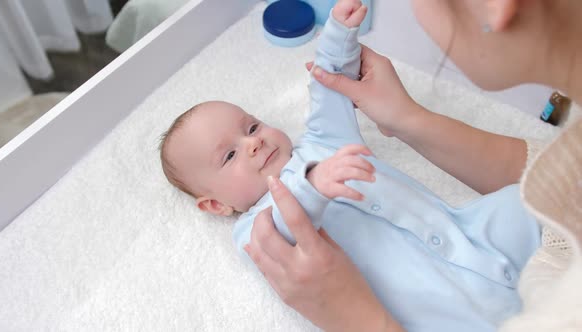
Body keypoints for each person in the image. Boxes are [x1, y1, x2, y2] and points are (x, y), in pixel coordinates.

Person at [160, 1, 543, 331]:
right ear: (215, 204)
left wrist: (339, 35)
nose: (253, 143)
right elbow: (283, 226)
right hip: (429, 297)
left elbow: (329, 89)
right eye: (229, 156)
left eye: (252, 126)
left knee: (524, 202)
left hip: (470, 234)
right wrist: (311, 186)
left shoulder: (322, 143)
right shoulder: (254, 229)